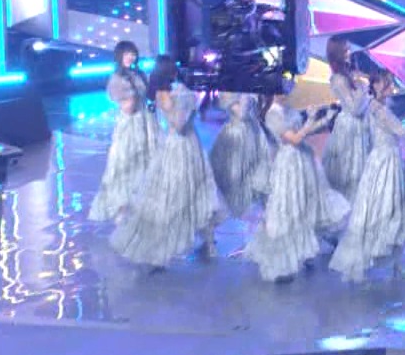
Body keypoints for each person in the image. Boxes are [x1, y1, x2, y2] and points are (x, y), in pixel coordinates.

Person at [111, 57, 221, 267]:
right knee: (181, 192)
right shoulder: (170, 93)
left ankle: (202, 241)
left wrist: (177, 102)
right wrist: (177, 102)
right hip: (181, 145)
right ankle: (191, 243)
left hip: (183, 145)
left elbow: (180, 121)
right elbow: (179, 123)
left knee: (190, 191)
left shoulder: (174, 92)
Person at [330, 70, 405, 282]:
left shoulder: (373, 107)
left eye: (391, 84)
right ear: (376, 86)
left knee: (391, 212)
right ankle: (368, 263)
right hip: (385, 164)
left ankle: (394, 263)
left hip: (381, 162)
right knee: (384, 212)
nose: (391, 88)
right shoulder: (380, 111)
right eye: (387, 84)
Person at [245, 88, 345, 282]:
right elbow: (294, 139)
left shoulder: (287, 109)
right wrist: (310, 119)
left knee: (305, 207)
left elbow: (302, 134)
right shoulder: (273, 114)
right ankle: (284, 260)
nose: (285, 91)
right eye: (281, 88)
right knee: (289, 210)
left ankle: (304, 251)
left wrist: (324, 120)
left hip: (302, 162)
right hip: (289, 165)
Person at [89, 41, 157, 222]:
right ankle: (123, 208)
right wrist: (132, 95)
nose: (130, 57)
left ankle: (143, 205)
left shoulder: (139, 74)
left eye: (133, 54)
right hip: (129, 124)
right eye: (127, 54)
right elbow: (127, 107)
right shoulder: (117, 78)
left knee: (146, 161)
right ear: (119, 56)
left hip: (145, 121)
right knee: (127, 163)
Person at [321, 37, 371, 199]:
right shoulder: (338, 79)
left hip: (358, 126)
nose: (349, 52)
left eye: (349, 49)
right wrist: (364, 87)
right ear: (338, 53)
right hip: (349, 129)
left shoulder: (348, 75)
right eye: (345, 50)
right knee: (351, 172)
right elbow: (354, 108)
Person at [208, 91, 272, 220]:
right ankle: (233, 209)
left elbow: (257, 111)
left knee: (255, 171)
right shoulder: (231, 91)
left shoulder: (252, 89)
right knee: (233, 174)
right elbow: (241, 114)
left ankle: (249, 207)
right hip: (236, 135)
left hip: (253, 133)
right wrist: (244, 97)